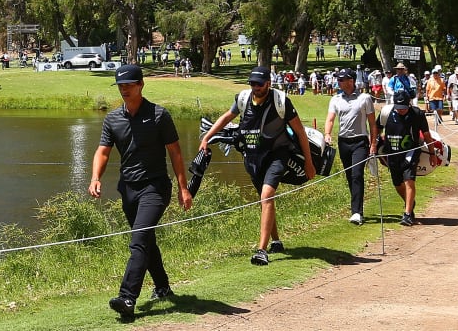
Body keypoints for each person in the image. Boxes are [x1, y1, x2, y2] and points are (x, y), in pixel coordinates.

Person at [89, 65, 192, 317]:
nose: (124, 89)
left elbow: (175, 152)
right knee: (146, 239)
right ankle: (163, 287)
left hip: (155, 188)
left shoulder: (159, 115)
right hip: (128, 189)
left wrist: (183, 188)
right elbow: (103, 151)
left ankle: (127, 297)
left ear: (141, 85)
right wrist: (95, 178)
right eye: (120, 85)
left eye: (129, 85)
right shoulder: (113, 119)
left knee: (138, 240)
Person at [199, 66, 314, 266]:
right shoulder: (243, 99)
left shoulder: (281, 101)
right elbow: (227, 117)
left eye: (259, 84)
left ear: (268, 84)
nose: (255, 87)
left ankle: (261, 250)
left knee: (267, 196)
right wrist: (207, 137)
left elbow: (300, 132)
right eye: (252, 83)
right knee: (265, 200)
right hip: (252, 156)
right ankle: (276, 240)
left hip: (277, 155)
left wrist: (309, 163)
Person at [323, 68, 378, 226]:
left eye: (342, 80)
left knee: (356, 175)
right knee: (350, 177)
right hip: (343, 142)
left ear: (351, 81)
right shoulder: (335, 99)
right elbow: (331, 119)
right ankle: (356, 207)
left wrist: (373, 144)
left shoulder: (364, 98)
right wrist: (327, 134)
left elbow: (372, 124)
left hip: (360, 141)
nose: (339, 82)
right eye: (338, 80)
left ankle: (357, 212)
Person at [376, 89, 438, 225]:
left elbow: (427, 135)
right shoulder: (386, 112)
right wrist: (374, 145)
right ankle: (409, 202)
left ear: (409, 103)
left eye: (404, 107)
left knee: (409, 181)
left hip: (411, 153)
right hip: (391, 154)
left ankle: (407, 214)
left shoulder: (417, 114)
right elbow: (377, 128)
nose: (401, 110)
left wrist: (432, 154)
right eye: (399, 108)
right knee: (397, 184)